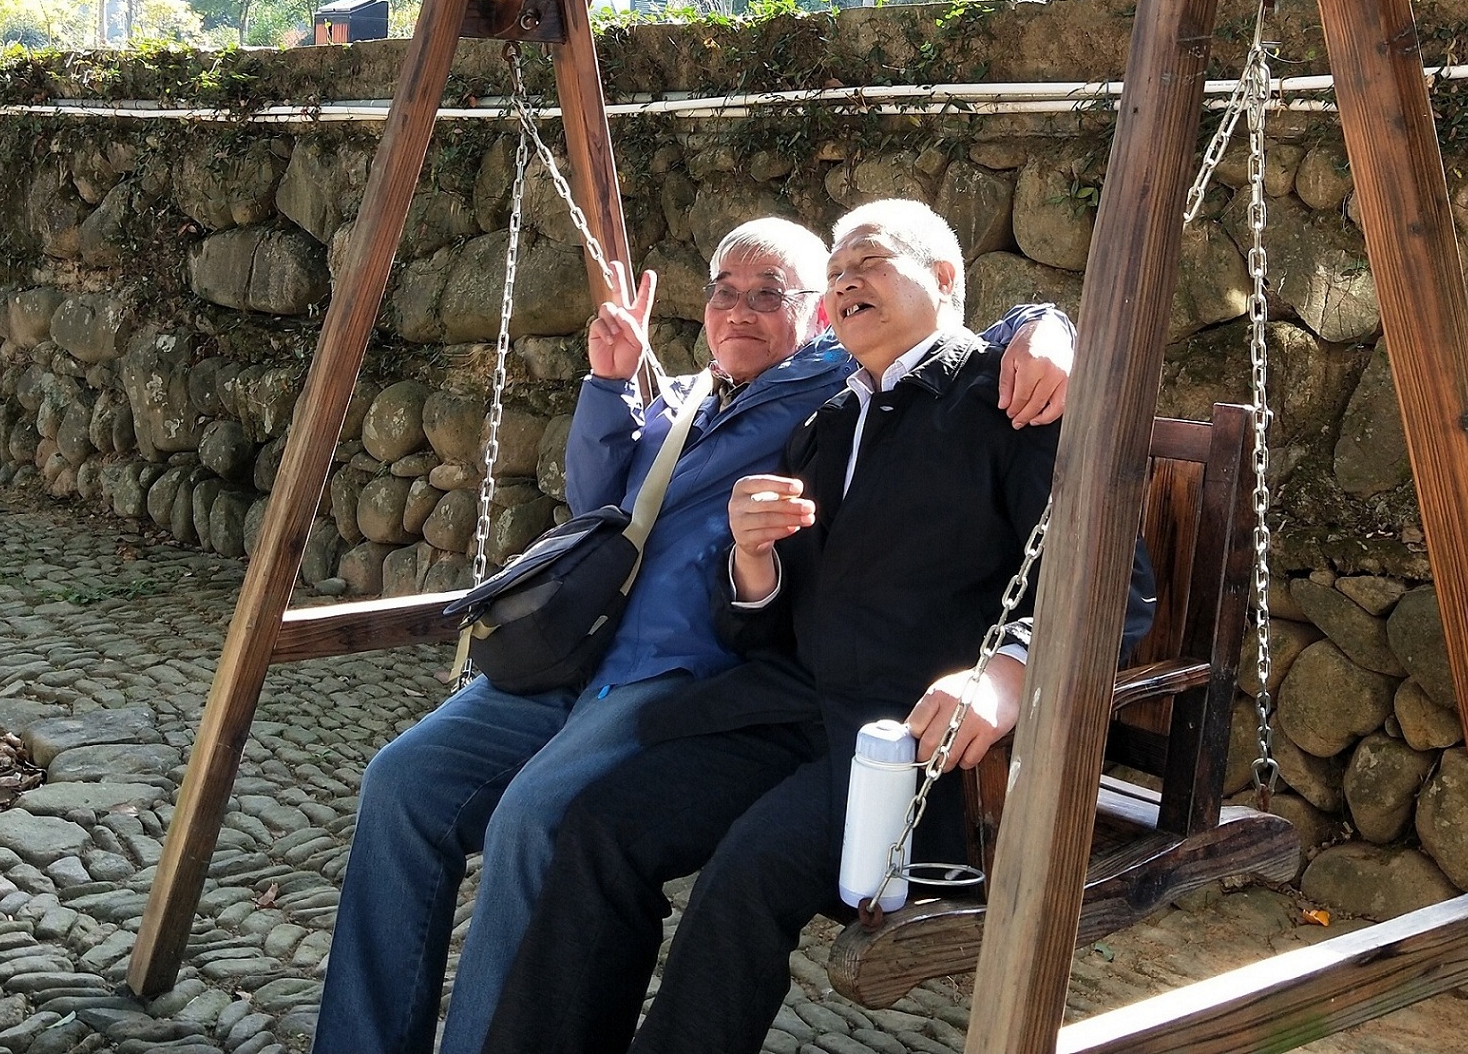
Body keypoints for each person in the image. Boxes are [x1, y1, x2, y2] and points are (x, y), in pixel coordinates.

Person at [312, 216, 1077, 1054]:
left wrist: (1046, 325)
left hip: (824, 711)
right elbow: (615, 516)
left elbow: (1100, 574)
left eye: (771, 293)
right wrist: (629, 407)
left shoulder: (893, 390)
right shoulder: (771, 411)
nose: (742, 309)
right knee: (487, 801)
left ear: (818, 317)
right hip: (671, 675)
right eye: (724, 292)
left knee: (605, 838)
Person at [483, 201, 1157, 1054]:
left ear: (943, 278)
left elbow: (1115, 585)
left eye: (867, 263)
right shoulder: (825, 422)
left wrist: (1006, 674)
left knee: (746, 873)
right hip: (789, 709)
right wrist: (752, 562)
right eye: (834, 271)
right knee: (602, 826)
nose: (843, 282)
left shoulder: (1008, 399)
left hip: (906, 739)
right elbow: (763, 628)